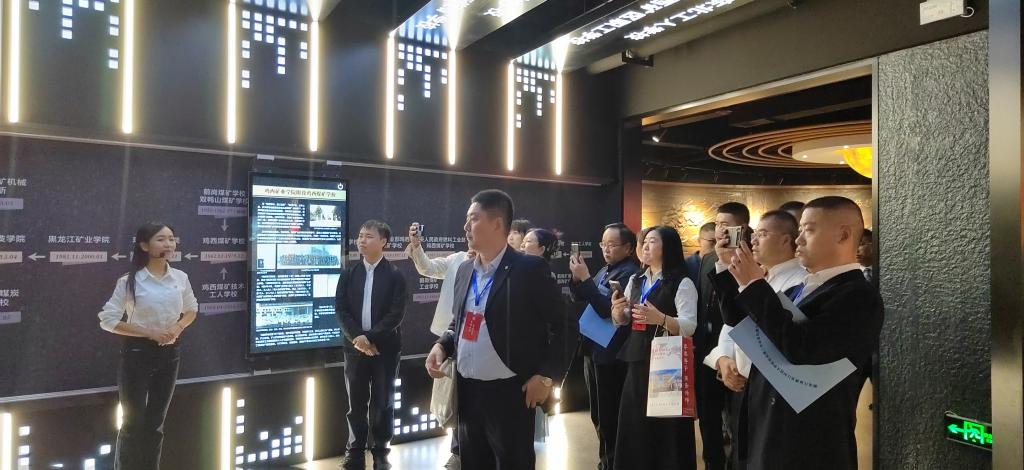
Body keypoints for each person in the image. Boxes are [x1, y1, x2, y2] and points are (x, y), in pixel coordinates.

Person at [720, 196, 884, 469]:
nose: (798, 240)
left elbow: (802, 348)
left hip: (807, 440)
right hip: (768, 425)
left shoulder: (858, 296)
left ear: (843, 235)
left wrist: (754, 286)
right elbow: (740, 321)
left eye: (808, 230)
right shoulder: (801, 288)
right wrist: (730, 268)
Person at [425, 190, 565, 469]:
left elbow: (565, 324)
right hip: (468, 391)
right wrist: (442, 345)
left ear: (497, 224)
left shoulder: (528, 269)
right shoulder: (465, 270)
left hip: (510, 393)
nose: (466, 226)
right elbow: (460, 322)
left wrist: (547, 376)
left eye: (473, 219)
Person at [704, 210, 805, 469]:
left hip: (774, 389)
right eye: (755, 234)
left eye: (762, 234)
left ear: (786, 240)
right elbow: (734, 323)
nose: (754, 240)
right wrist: (723, 358)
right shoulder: (761, 275)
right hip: (744, 383)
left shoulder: (800, 281)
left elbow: (779, 335)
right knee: (742, 453)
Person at [98, 222, 198, 470]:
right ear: (144, 245)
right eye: (161, 239)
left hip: (170, 353)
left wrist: (177, 327)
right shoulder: (130, 281)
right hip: (137, 353)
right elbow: (108, 320)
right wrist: (149, 333)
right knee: (132, 423)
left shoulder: (180, 278)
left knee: (156, 423)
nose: (169, 244)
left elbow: (192, 309)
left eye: (171, 239)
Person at [610, 226, 698, 470]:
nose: (645, 247)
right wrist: (618, 313)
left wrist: (660, 318)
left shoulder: (682, 282)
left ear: (667, 247)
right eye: (644, 242)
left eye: (652, 242)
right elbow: (626, 319)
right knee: (635, 424)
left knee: (666, 428)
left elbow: (689, 325)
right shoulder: (636, 279)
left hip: (668, 363)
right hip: (638, 358)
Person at [336, 220, 408, 470]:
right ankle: (355, 452)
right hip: (354, 349)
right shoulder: (349, 274)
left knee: (383, 402)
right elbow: (341, 310)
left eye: (368, 236)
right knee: (355, 403)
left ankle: (380, 452)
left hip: (384, 350)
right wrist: (358, 338)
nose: (361, 241)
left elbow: (396, 314)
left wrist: (371, 338)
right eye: (360, 236)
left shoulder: (395, 275)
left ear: (383, 242)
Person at [568, 223, 641, 470]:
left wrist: (586, 279)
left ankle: (612, 462)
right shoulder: (604, 270)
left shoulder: (630, 274)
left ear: (628, 248)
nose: (606, 249)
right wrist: (577, 279)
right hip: (593, 348)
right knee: (598, 413)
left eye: (612, 244)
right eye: (603, 244)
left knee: (610, 413)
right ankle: (606, 460)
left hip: (612, 353)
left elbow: (606, 310)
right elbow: (580, 297)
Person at [405, 222, 473, 469]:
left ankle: (472, 451)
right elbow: (428, 268)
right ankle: (458, 450)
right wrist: (416, 246)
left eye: (474, 224)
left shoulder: (500, 266)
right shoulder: (457, 259)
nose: (468, 230)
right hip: (452, 337)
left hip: (480, 341)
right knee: (454, 395)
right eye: (467, 227)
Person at [696, 202, 751, 470]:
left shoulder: (751, 260)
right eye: (718, 224)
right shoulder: (708, 259)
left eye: (727, 225)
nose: (720, 230)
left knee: (735, 418)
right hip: (708, 350)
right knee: (708, 415)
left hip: (738, 351)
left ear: (743, 228)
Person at [687, 222, 717, 286]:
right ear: (699, 241)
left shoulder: (724, 266)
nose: (716, 247)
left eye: (719, 241)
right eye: (712, 241)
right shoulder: (685, 266)